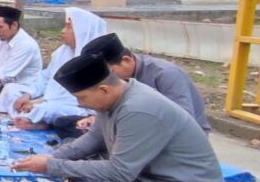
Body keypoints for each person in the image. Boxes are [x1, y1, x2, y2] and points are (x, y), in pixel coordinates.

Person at [13, 54, 226, 182]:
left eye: (82, 98)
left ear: (104, 89)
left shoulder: (138, 109)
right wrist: (53, 158)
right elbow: (95, 137)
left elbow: (120, 172)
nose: (81, 104)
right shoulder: (115, 98)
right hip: (146, 174)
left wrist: (52, 166)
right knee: (70, 151)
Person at [81, 33, 211, 132]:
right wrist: (97, 119)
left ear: (126, 60)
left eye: (111, 73)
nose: (107, 80)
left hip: (179, 139)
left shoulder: (166, 74)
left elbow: (184, 120)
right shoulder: (117, 81)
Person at [4, 8, 107, 132]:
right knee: (12, 90)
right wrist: (28, 95)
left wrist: (38, 102)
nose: (63, 31)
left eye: (68, 28)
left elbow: (78, 99)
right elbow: (45, 78)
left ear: (81, 31)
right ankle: (31, 118)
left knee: (49, 109)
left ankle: (39, 122)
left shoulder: (91, 60)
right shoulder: (61, 53)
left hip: (74, 107)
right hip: (49, 98)